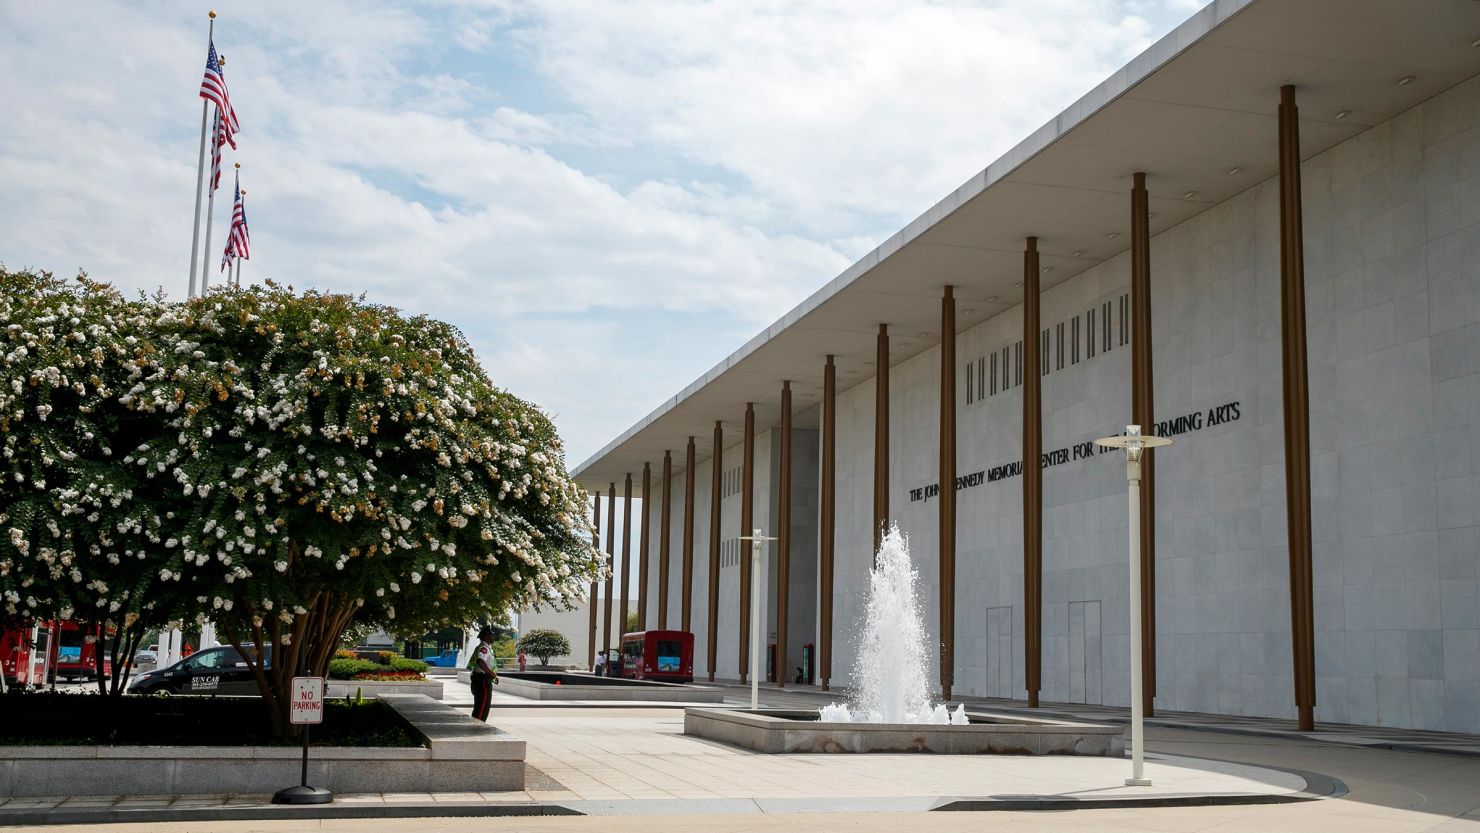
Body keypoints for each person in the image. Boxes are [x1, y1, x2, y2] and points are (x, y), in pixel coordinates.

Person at [469, 627, 499, 722]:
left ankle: (476, 725)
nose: (493, 637)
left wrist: (493, 675)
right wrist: (490, 673)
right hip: (482, 680)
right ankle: (477, 726)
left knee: (481, 706)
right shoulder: (484, 648)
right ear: (486, 636)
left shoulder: (485, 647)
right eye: (492, 635)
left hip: (482, 678)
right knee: (482, 707)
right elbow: (480, 661)